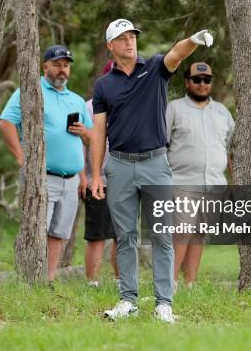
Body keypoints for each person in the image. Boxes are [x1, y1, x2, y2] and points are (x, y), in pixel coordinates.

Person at [91, 18, 213, 323]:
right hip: (118, 165)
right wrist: (96, 174)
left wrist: (193, 40)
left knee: (161, 234)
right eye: (122, 37)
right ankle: (128, 300)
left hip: (156, 164)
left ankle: (163, 303)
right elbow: (98, 132)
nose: (130, 41)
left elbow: (176, 54)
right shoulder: (104, 85)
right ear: (111, 46)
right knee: (125, 236)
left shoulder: (155, 68)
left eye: (132, 35)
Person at [0, 45, 92, 281]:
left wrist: (83, 175)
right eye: (57, 64)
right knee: (36, 230)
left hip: (71, 180)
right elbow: (6, 123)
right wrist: (23, 160)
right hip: (43, 176)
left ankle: (47, 281)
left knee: (59, 233)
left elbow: (89, 139)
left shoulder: (76, 100)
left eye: (66, 65)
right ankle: (29, 279)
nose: (62, 70)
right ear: (45, 66)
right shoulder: (31, 91)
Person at [166, 62, 234, 292]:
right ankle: (170, 283)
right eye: (197, 80)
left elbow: (232, 149)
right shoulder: (173, 109)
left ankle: (190, 284)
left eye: (207, 80)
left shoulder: (222, 112)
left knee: (198, 234)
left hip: (214, 184)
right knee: (181, 232)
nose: (202, 84)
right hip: (181, 183)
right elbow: (161, 146)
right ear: (187, 82)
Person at [83, 61, 119, 288]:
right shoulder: (89, 107)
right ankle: (92, 282)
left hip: (124, 180)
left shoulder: (128, 105)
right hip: (97, 179)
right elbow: (79, 144)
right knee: (97, 235)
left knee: (122, 235)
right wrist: (84, 177)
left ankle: (120, 280)